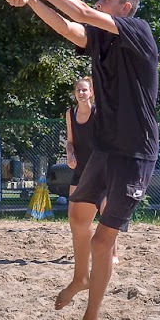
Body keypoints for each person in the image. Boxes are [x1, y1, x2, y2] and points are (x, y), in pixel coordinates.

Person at [5, 0, 159, 320]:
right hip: (106, 147)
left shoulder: (138, 30)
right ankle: (80, 277)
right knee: (77, 214)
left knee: (102, 241)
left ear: (126, 7)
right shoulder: (102, 39)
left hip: (135, 152)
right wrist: (29, 0)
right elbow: (70, 27)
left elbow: (83, 13)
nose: (100, 1)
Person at [65, 77, 119, 265]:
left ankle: (113, 254)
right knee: (74, 215)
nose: (81, 93)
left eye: (85, 90)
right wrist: (70, 153)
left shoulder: (99, 113)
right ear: (75, 93)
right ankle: (81, 254)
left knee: (106, 210)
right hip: (81, 169)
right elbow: (70, 141)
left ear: (92, 93)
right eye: (78, 90)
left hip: (101, 168)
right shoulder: (70, 113)